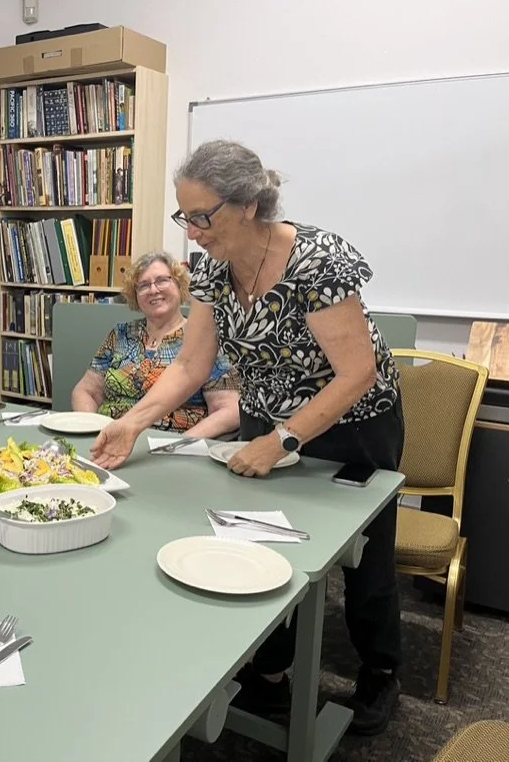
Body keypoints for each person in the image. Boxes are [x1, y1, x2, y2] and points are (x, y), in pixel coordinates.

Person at [90, 140, 404, 735]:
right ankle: (270, 674)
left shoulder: (319, 259)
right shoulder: (211, 266)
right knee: (259, 545)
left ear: (251, 204)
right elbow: (190, 364)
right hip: (265, 421)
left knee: (364, 557)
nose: (193, 233)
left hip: (353, 424)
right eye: (185, 216)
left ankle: (380, 673)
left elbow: (357, 373)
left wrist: (284, 440)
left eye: (202, 216)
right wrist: (132, 420)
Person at [71, 251, 240, 438]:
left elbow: (230, 410)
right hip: (109, 439)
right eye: (143, 285)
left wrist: (179, 444)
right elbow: (86, 391)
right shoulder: (120, 334)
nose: (153, 290)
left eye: (162, 280)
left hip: (169, 446)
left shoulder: (203, 338)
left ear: (179, 285)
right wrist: (91, 431)